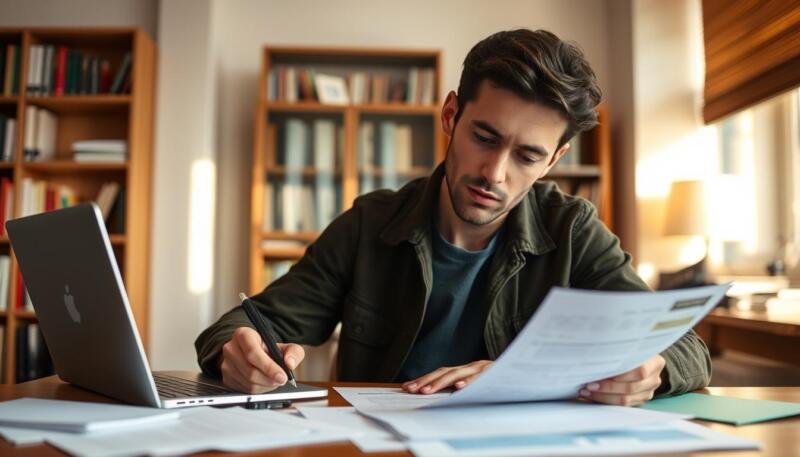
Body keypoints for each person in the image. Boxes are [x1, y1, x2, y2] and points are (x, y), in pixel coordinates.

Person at [195, 28, 711, 407]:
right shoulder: (369, 224)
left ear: (554, 160)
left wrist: (653, 369)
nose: (495, 173)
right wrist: (234, 354)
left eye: (528, 156)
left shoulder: (572, 228)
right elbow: (239, 325)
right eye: (484, 137)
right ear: (450, 116)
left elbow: (684, 345)